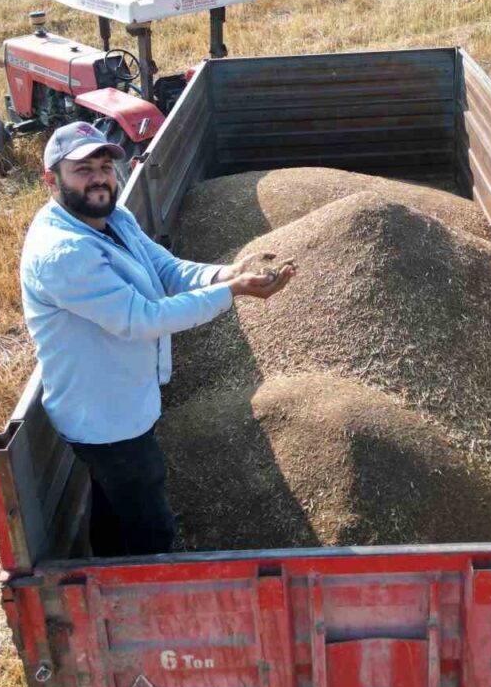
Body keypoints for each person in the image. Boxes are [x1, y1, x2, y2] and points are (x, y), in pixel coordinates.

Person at [20, 120, 295, 556]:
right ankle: (149, 594)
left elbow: (168, 270)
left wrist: (229, 272)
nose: (98, 178)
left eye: (105, 166)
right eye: (82, 170)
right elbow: (142, 319)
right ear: (51, 180)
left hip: (122, 399)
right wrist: (232, 292)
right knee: (150, 526)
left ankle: (106, 582)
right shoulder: (63, 253)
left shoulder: (114, 218)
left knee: (116, 511)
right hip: (105, 419)